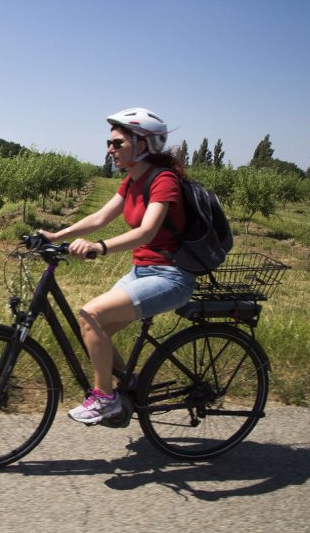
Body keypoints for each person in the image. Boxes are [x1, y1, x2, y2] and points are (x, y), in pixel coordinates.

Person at [38, 107, 195, 424]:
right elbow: (99, 218)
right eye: (109, 143)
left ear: (143, 144)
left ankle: (105, 398)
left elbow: (146, 231)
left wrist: (100, 247)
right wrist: (57, 234)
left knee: (90, 314)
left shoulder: (163, 180)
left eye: (117, 143)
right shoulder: (132, 182)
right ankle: (130, 386)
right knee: (97, 331)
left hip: (171, 277)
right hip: (142, 272)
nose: (110, 149)